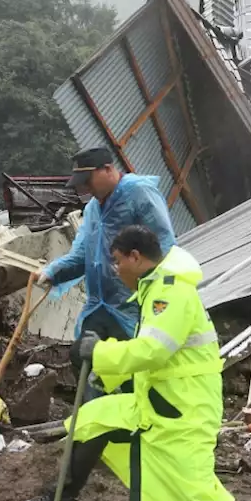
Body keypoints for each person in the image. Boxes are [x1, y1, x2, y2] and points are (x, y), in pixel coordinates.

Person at [24, 225, 251, 501]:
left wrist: (99, 352)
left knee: (198, 493)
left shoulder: (170, 295)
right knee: (93, 419)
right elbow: (151, 354)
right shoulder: (154, 289)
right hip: (158, 401)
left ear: (136, 258)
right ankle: (65, 498)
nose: (115, 269)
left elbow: (153, 352)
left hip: (183, 409)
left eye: (117, 261)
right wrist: (105, 374)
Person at [39, 147, 176, 401]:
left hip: (132, 307)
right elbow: (82, 254)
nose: (86, 188)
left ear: (108, 169)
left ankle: (134, 419)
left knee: (132, 370)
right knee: (83, 358)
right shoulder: (92, 209)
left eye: (88, 180)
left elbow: (164, 246)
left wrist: (153, 291)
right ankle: (93, 423)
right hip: (99, 306)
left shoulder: (139, 193)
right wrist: (53, 272)